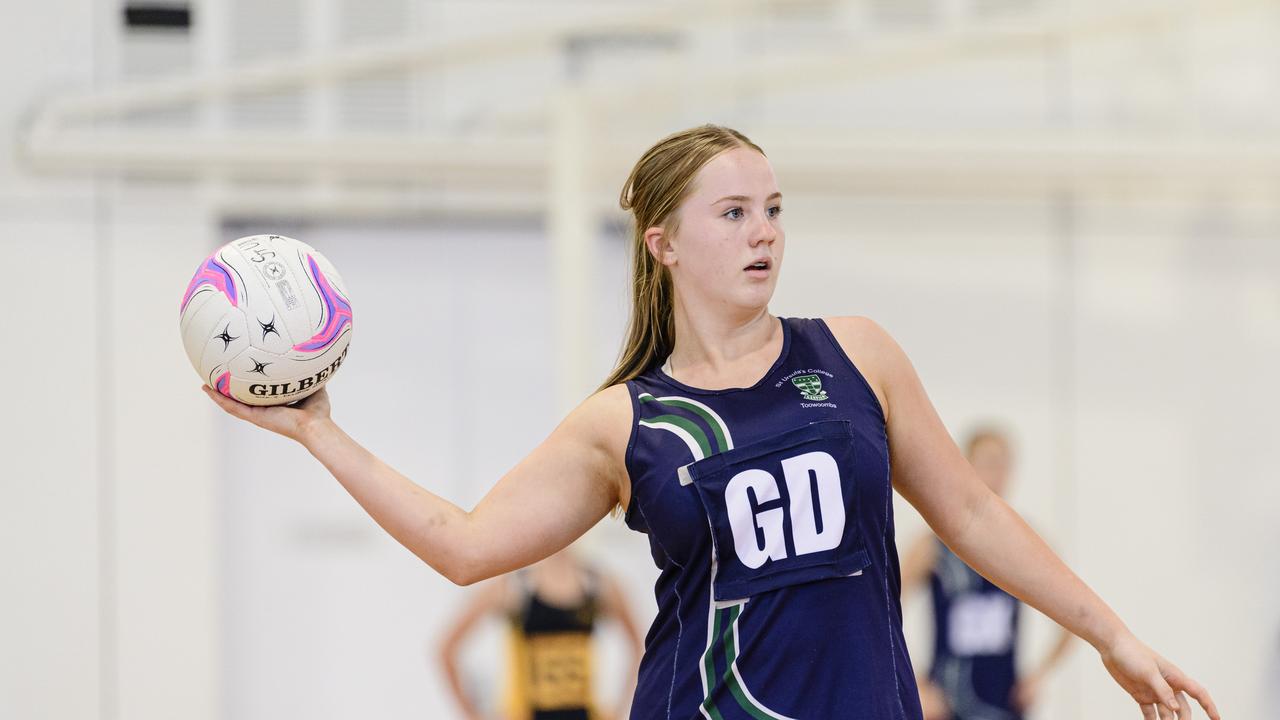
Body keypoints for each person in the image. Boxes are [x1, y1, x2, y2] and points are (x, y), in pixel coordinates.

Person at [203, 124, 1219, 720]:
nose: (763, 232)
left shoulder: (854, 352)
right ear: (662, 244)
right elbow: (466, 549)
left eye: (772, 208)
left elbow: (973, 515)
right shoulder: (623, 422)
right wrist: (318, 432)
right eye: (731, 213)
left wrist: (1109, 636)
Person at [900, 427, 1073, 720]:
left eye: (1003, 464)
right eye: (988, 462)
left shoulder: (1026, 543)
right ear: (967, 466)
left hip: (1002, 701)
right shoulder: (933, 545)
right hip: (946, 701)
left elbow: (1072, 614)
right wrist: (915, 683)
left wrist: (1039, 675)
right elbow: (884, 609)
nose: (997, 473)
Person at [438, 547, 644, 720]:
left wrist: (620, 710)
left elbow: (640, 645)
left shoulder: (597, 584)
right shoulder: (514, 586)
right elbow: (446, 650)